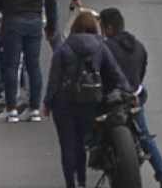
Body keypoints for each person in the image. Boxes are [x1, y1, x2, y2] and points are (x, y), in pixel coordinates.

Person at [46, 10, 130, 188]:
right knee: (80, 144)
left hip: (64, 103)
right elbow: (115, 72)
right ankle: (83, 182)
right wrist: (126, 91)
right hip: (89, 101)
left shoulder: (64, 47)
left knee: (67, 145)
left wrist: (47, 103)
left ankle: (71, 183)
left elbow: (54, 79)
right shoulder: (100, 47)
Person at [98, 8, 162, 188]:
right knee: (144, 135)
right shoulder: (138, 45)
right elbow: (142, 71)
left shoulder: (105, 48)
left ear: (108, 28)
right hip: (134, 96)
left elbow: (100, 74)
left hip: (113, 98)